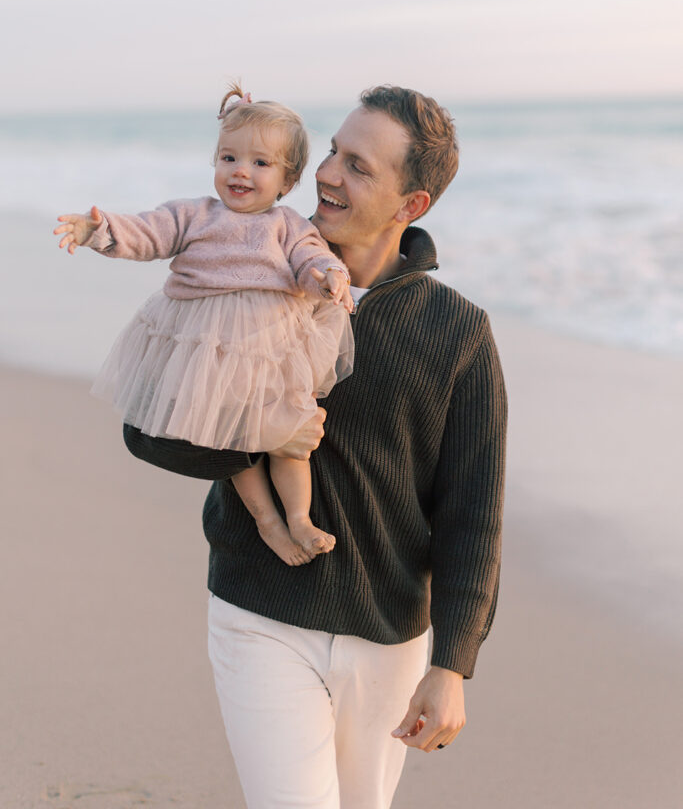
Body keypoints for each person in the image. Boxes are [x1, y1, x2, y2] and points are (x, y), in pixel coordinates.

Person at [122, 85, 507, 809]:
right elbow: (145, 430)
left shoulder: (456, 332)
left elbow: (473, 512)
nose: (327, 172)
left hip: (389, 633)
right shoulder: (244, 263)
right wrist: (261, 434)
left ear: (410, 205)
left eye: (358, 166)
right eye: (332, 150)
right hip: (259, 611)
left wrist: (452, 664)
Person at [54, 86, 355, 566]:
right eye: (229, 157)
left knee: (291, 431)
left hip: (266, 347)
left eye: (260, 163)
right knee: (229, 434)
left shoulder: (288, 225)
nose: (240, 170)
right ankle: (267, 520)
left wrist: (328, 277)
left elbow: (311, 259)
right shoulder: (194, 214)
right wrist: (100, 231)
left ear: (288, 180)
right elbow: (148, 232)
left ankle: (298, 518)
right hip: (203, 347)